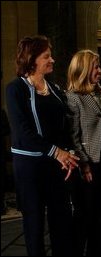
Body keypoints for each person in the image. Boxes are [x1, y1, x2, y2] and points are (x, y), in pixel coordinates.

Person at [5, 35, 79, 256]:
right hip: (29, 167)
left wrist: (69, 154)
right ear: (32, 59)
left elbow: (65, 126)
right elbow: (22, 131)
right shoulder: (15, 89)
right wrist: (57, 153)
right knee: (34, 224)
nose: (52, 60)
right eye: (47, 56)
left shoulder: (55, 89)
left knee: (62, 222)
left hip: (57, 165)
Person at [65, 49, 101, 256]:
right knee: (84, 216)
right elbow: (73, 136)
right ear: (84, 69)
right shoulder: (72, 97)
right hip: (85, 165)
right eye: (95, 67)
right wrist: (84, 164)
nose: (99, 70)